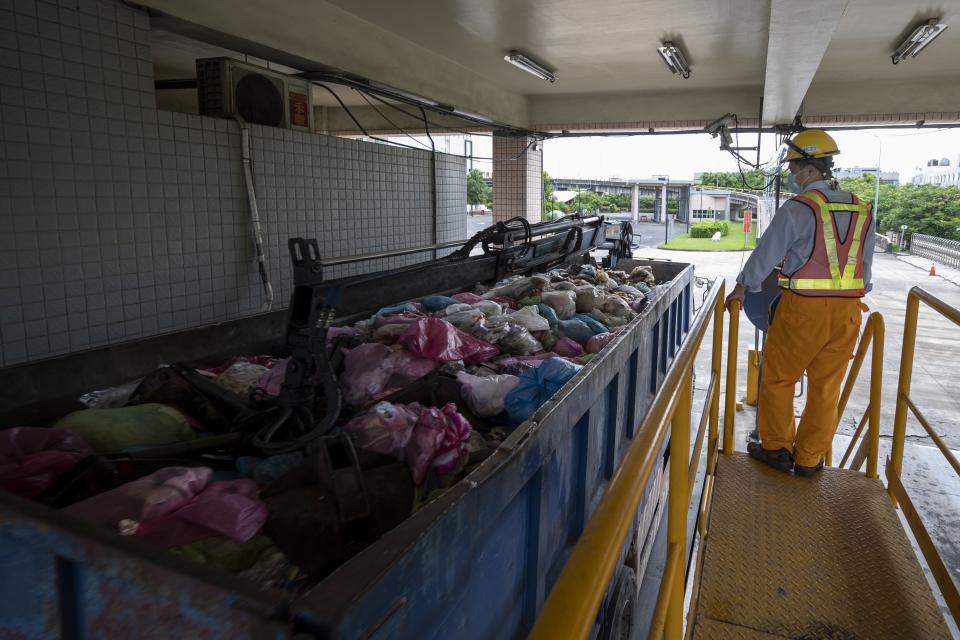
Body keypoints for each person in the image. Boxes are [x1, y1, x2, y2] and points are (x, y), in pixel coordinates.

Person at [725, 129, 874, 477]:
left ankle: (777, 448)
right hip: (848, 313)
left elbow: (767, 252)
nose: (792, 175)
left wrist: (742, 287)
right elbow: (864, 270)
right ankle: (809, 459)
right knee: (826, 388)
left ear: (809, 169)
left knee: (779, 379)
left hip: (804, 310)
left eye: (794, 167)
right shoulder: (862, 207)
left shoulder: (800, 207)